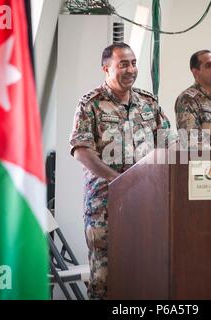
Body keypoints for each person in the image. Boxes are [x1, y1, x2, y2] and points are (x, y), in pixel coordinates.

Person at [69, 43, 174, 299]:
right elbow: (82, 150)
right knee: (104, 280)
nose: (131, 69)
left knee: (143, 273)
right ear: (106, 68)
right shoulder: (90, 103)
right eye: (123, 64)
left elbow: (170, 143)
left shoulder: (148, 102)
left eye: (134, 63)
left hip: (148, 203)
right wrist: (120, 181)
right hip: (105, 203)